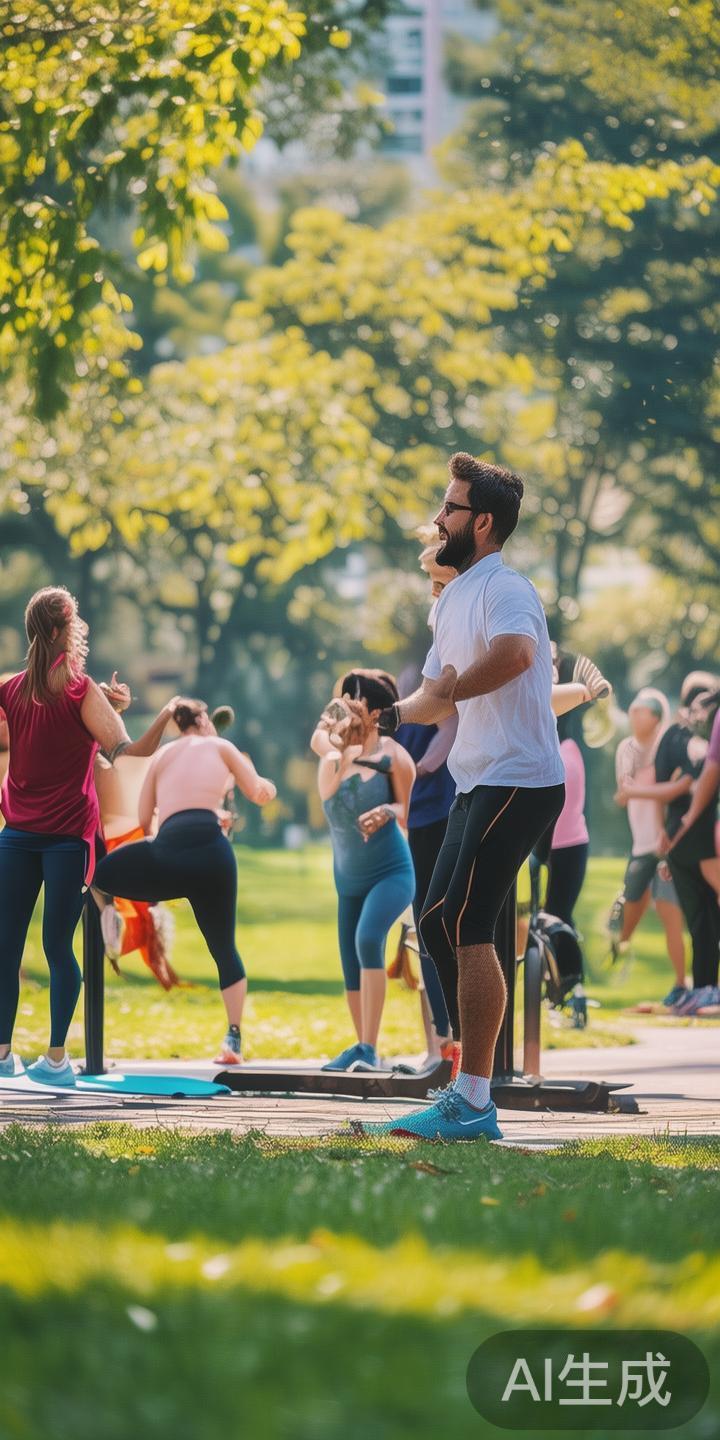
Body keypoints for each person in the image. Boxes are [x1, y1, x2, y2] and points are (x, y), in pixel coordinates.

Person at [370, 452, 570, 1141]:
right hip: (477, 779)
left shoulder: (505, 588)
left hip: (521, 777)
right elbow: (433, 695)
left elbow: (516, 656)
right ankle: (467, 1079)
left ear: (481, 522)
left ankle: (475, 1099)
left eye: (449, 508)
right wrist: (386, 718)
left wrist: (453, 689)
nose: (438, 517)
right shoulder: (451, 598)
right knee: (432, 921)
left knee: (464, 920)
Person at [0, 586, 176, 1086]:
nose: (80, 628)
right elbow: (128, 751)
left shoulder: (18, 687)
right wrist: (163, 715)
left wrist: (104, 705)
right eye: (73, 620)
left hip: (31, 838)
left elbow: (59, 712)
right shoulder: (76, 690)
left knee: (15, 945)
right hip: (52, 838)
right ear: (57, 631)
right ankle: (44, 1059)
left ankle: (27, 1056)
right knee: (50, 945)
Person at [92, 697, 277, 1065]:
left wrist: (157, 869)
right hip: (212, 856)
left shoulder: (163, 755)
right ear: (205, 720)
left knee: (98, 876)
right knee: (224, 949)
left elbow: (145, 818)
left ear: (178, 725)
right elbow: (259, 793)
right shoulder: (222, 746)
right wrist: (264, 783)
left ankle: (112, 913)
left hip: (167, 854)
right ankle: (234, 1039)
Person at [311, 671, 416, 1072]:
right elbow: (321, 744)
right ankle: (361, 1045)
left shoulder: (394, 757)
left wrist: (389, 809)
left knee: (368, 938)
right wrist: (333, 738)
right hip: (348, 881)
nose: (344, 710)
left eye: (353, 702)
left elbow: (414, 812)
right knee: (350, 961)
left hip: (391, 871)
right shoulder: (333, 758)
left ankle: (370, 1049)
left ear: (374, 713)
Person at [619, 672, 720, 1012]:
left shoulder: (676, 736)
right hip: (701, 830)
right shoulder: (699, 734)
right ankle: (705, 986)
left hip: (682, 835)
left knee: (699, 916)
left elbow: (680, 784)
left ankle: (704, 986)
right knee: (706, 913)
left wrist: (667, 831)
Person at [395, 540, 458, 1064]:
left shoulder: (435, 667)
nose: (433, 594)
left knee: (435, 923)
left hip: (439, 808)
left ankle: (450, 1043)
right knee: (424, 926)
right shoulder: (418, 672)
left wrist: (420, 769)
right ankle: (442, 1046)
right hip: (422, 813)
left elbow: (449, 725)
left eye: (438, 582)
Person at [612, 688, 687, 1005]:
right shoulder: (625, 749)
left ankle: (681, 984)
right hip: (639, 844)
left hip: (664, 845)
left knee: (670, 913)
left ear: (655, 716)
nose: (633, 713)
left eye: (641, 709)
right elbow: (622, 794)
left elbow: (671, 795)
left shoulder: (667, 748)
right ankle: (619, 947)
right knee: (630, 908)